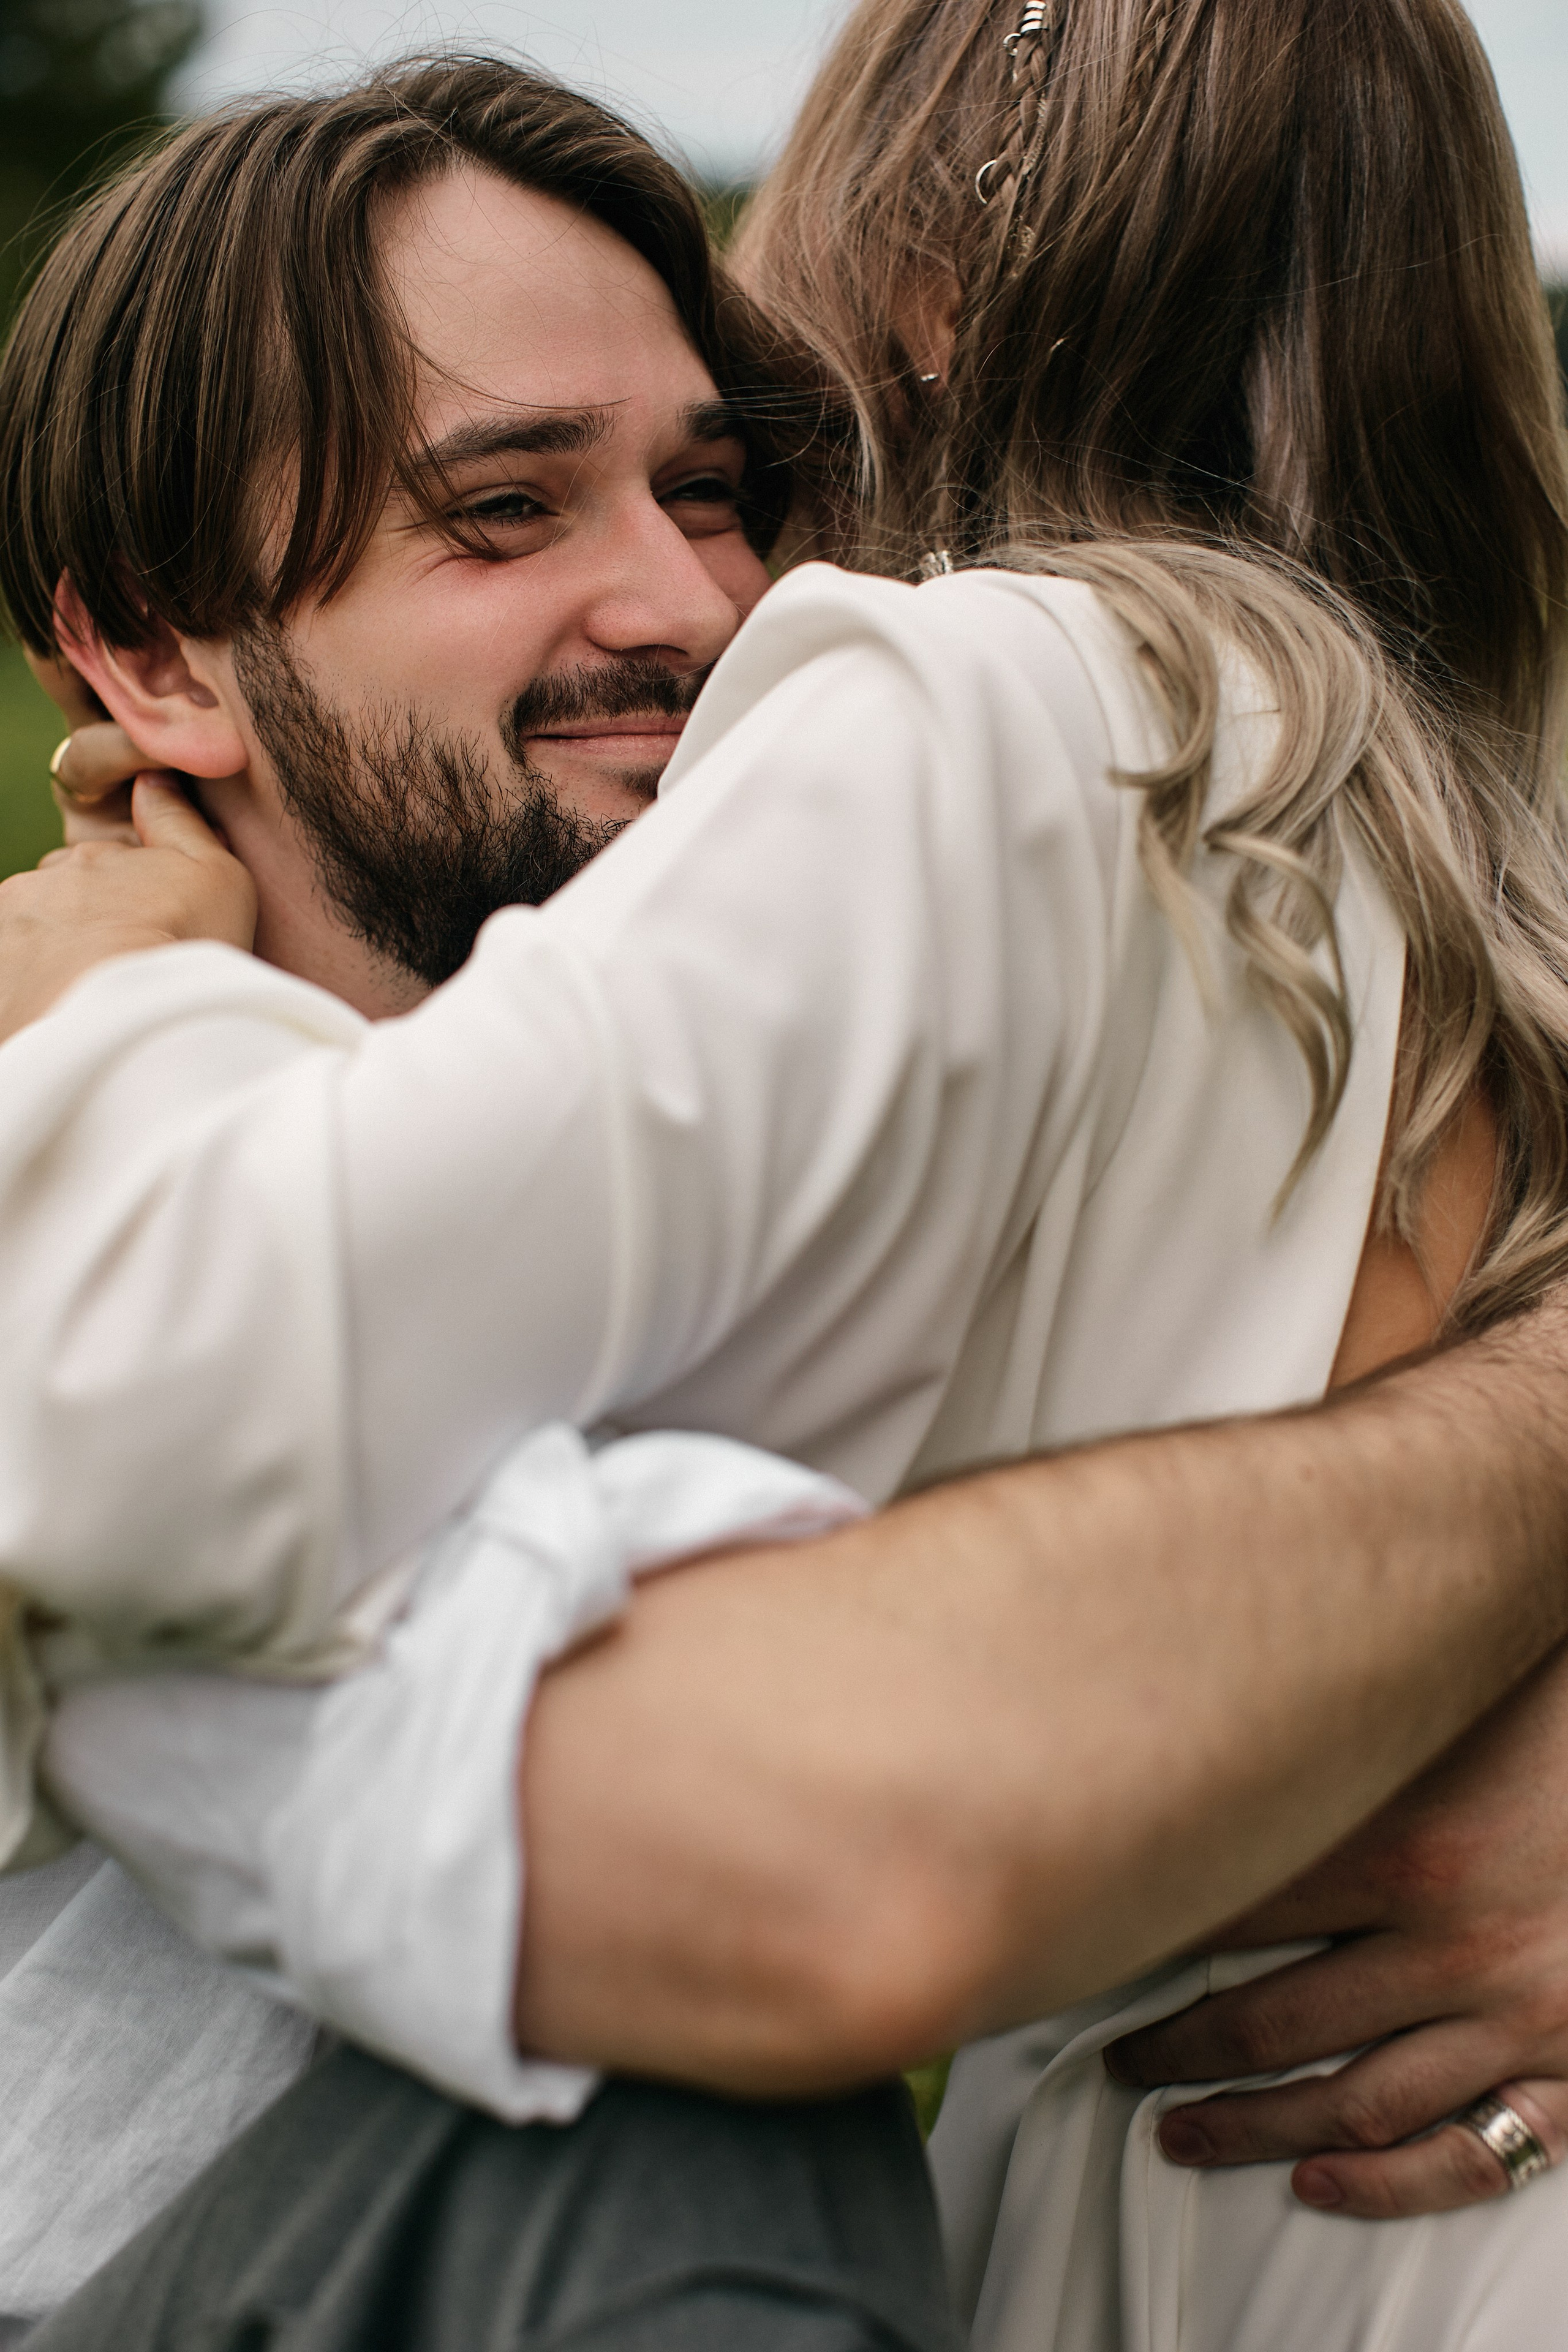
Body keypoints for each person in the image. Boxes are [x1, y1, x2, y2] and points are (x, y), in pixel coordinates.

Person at [1, 13, 1567, 2349]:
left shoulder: (841, 1112)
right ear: (144, 650)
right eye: (505, 511)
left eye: (726, 486)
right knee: (667, 2118)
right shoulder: (118, 1218)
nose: (696, 609)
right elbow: (807, 1856)